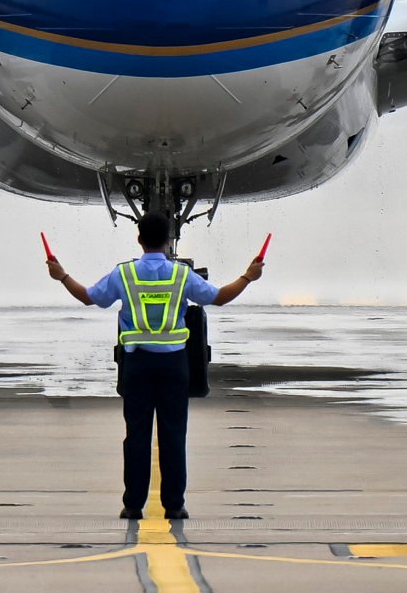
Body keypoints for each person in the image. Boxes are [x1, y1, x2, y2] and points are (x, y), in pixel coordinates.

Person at [43, 225, 270, 527]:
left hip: (137, 364)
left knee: (136, 436)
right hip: (174, 365)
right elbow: (219, 297)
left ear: (139, 239)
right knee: (174, 436)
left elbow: (88, 297)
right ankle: (174, 506)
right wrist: (247, 277)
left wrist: (62, 277)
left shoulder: (123, 274)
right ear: (167, 241)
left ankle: (133, 506)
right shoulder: (180, 275)